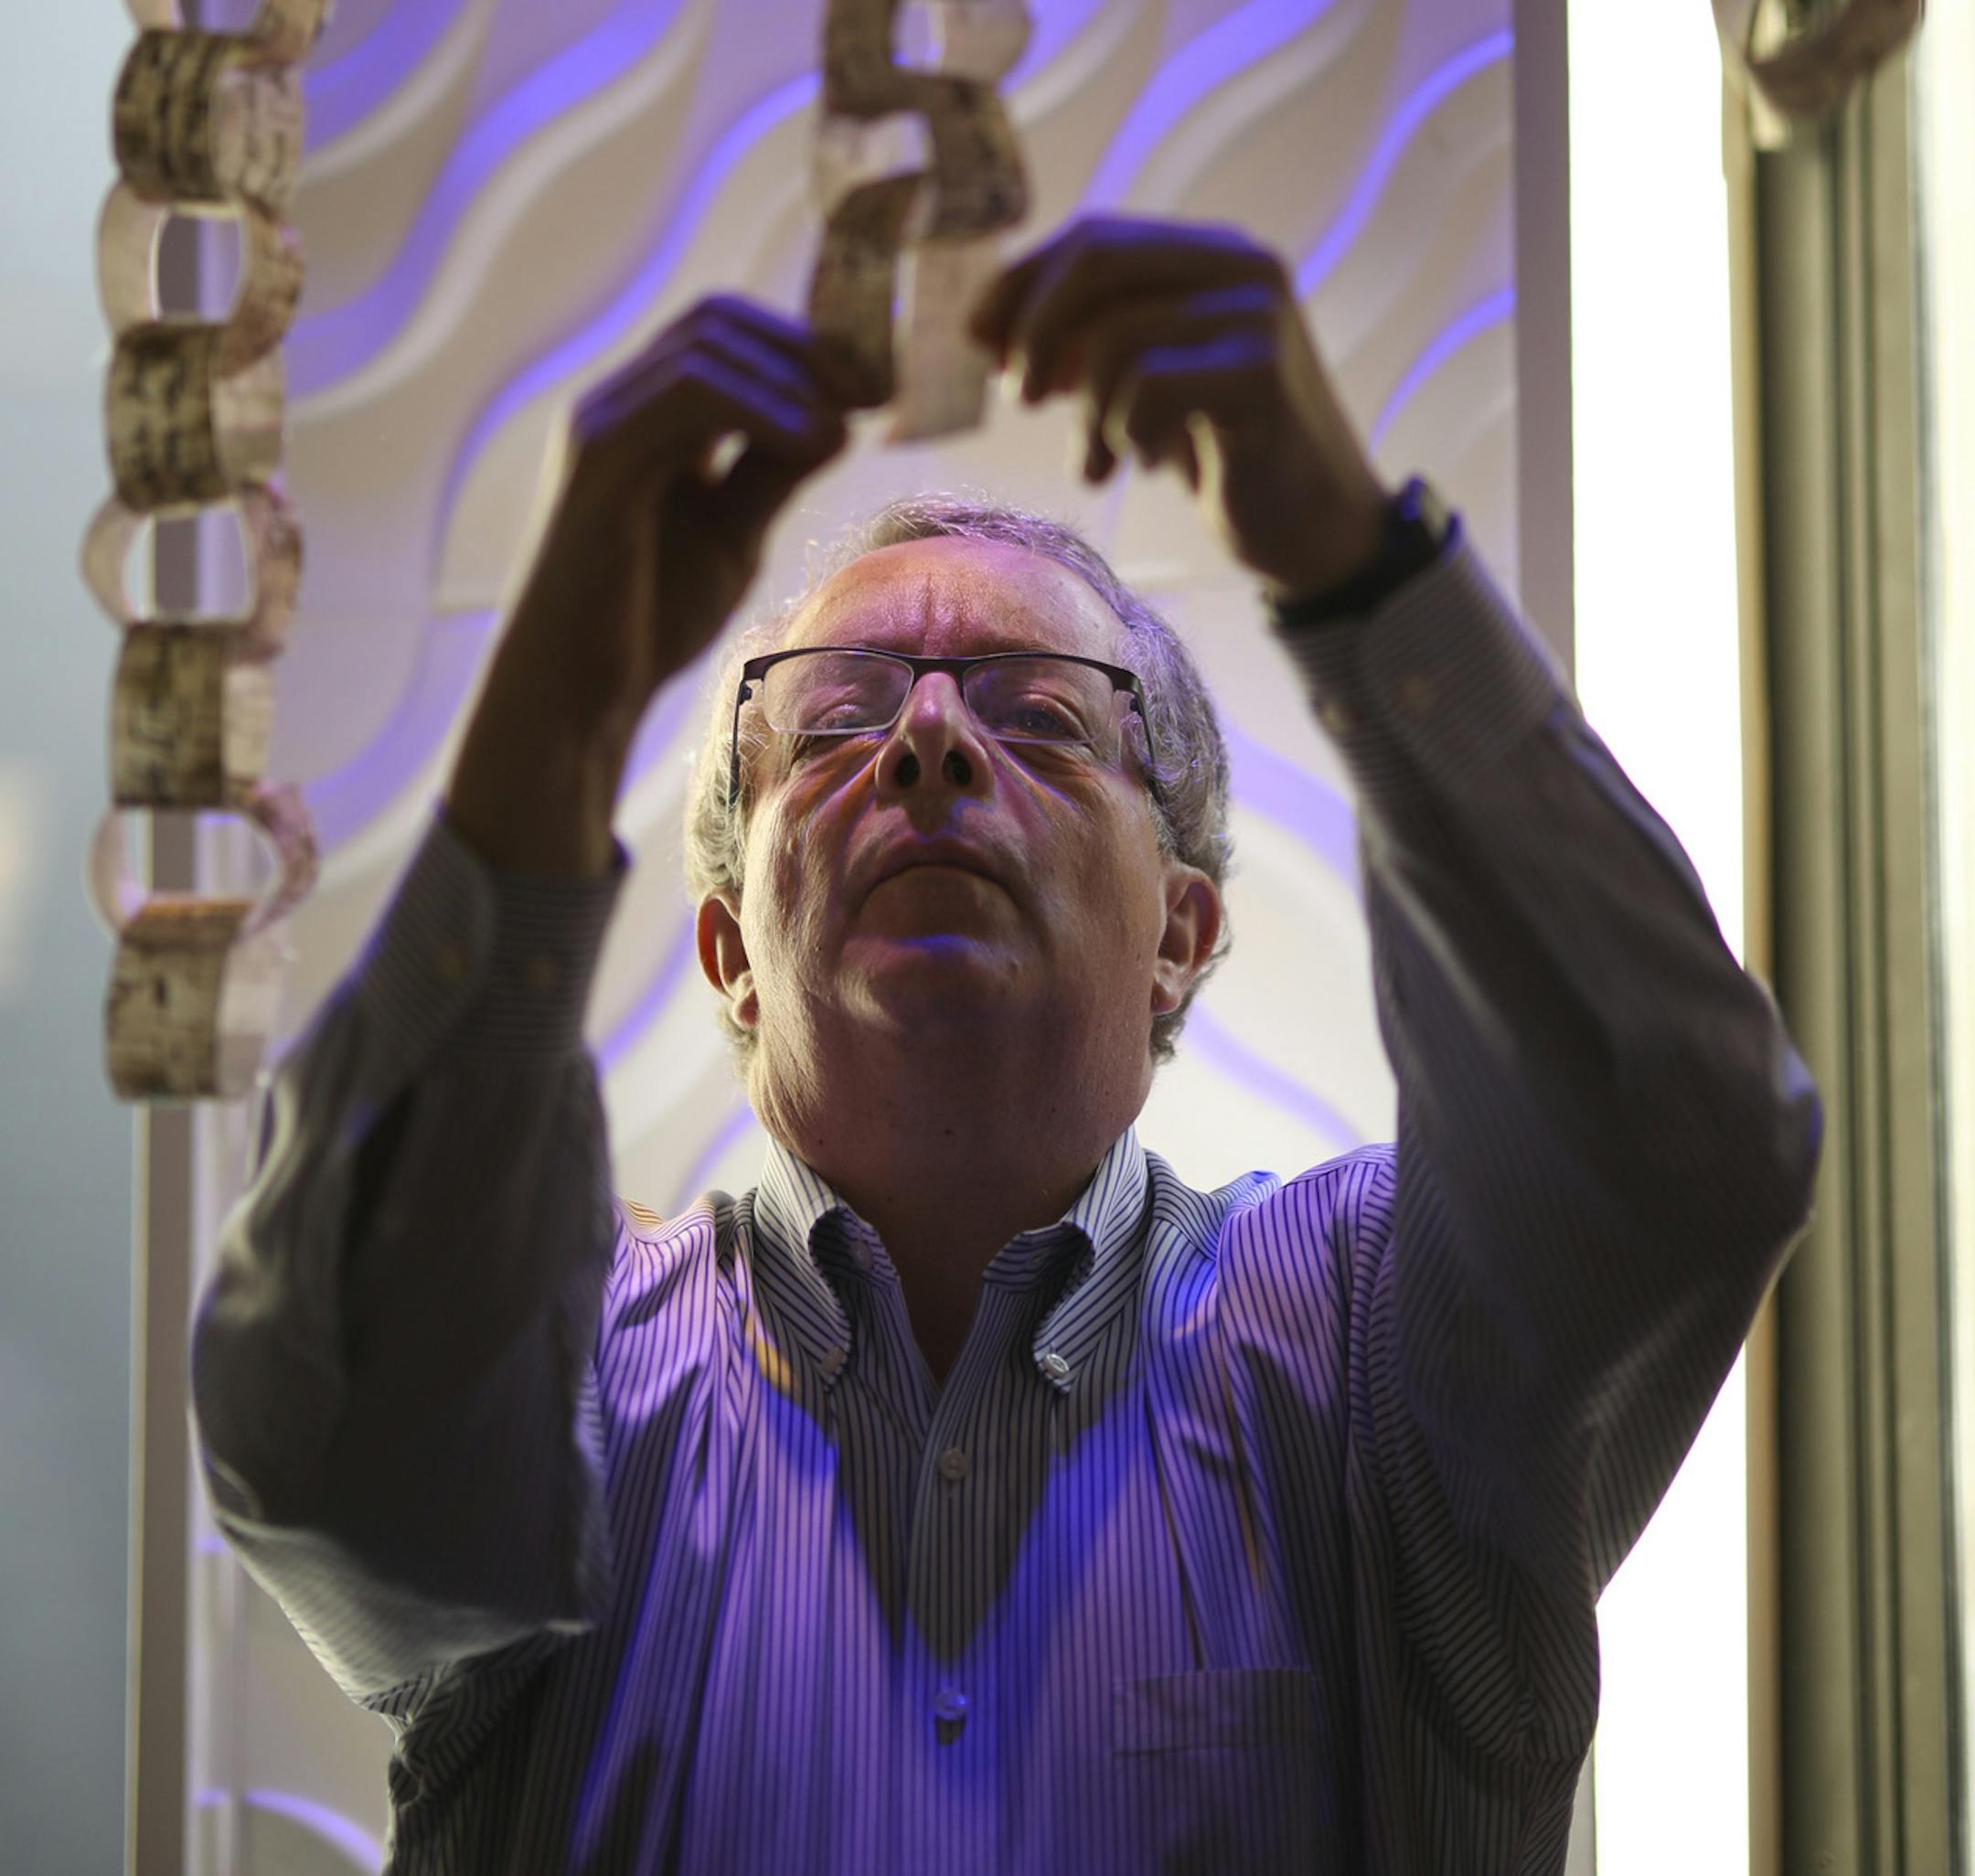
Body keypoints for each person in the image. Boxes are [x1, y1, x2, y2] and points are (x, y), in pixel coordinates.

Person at [193, 216, 1819, 1875]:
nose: (928, 747)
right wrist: (558, 697)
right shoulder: (560, 1382)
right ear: (730, 952)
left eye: (1038, 714)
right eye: (838, 718)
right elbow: (317, 1437)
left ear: (1182, 933)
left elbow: (1682, 1144)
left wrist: (1356, 558)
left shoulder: (1373, 1363)